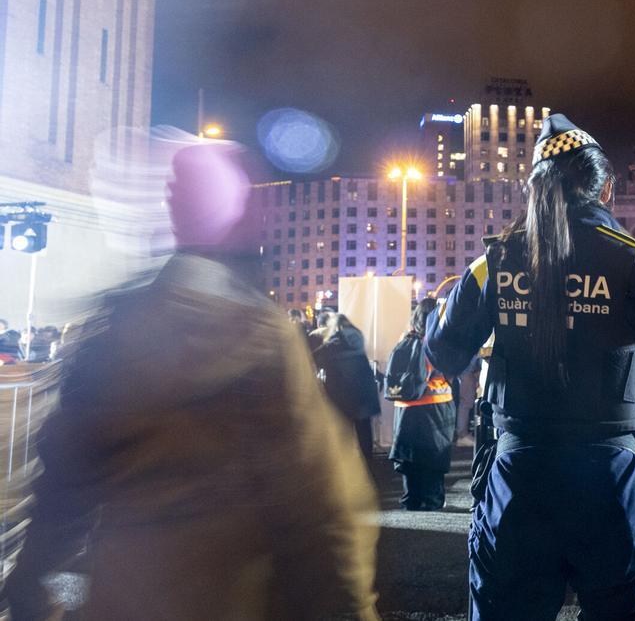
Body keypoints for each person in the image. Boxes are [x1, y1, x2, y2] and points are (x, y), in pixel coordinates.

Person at [0, 140, 380, 620]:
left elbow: (64, 480)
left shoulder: (114, 328)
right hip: (232, 599)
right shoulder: (265, 341)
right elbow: (318, 501)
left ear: (172, 213)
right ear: (233, 217)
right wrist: (349, 609)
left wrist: (30, 581)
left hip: (126, 598)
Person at [425, 113, 635, 621]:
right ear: (608, 190)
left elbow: (443, 349)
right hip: (609, 479)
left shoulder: (496, 260)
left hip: (518, 477)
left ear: (533, 190)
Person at [385, 298, 456, 511]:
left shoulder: (403, 341)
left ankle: (411, 499)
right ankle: (433, 501)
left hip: (406, 409)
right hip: (436, 406)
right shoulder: (438, 342)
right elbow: (452, 371)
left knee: (410, 457)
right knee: (434, 458)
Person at [313, 313, 383, 459]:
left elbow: (316, 358)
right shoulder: (358, 338)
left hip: (343, 393)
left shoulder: (335, 342)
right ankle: (367, 459)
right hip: (364, 392)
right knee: (364, 429)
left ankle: (347, 462)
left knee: (343, 429)